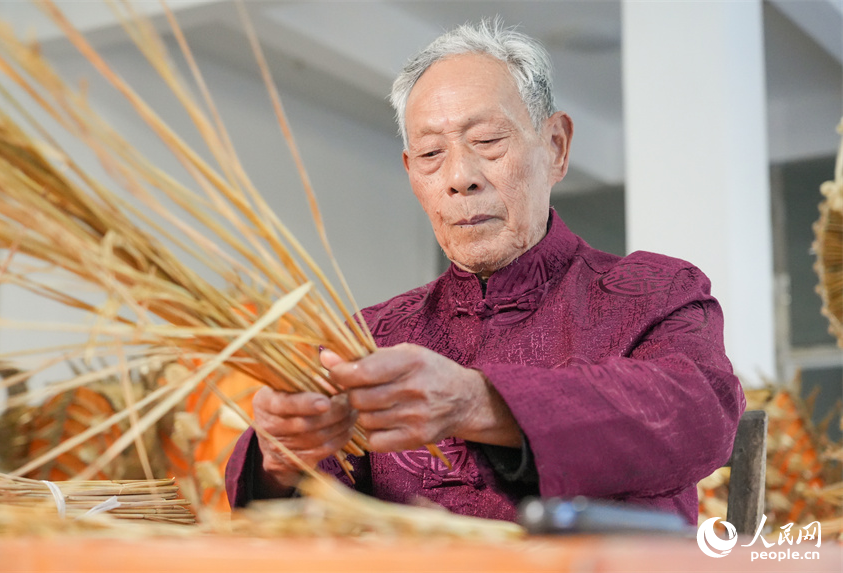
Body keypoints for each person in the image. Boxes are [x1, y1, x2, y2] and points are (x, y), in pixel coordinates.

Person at [226, 19, 745, 525]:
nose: (459, 178)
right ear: (412, 175)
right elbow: (309, 516)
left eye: (488, 140)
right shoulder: (371, 336)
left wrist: (478, 402)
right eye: (431, 153)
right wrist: (279, 456)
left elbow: (700, 415)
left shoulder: (654, 294)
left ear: (556, 147)